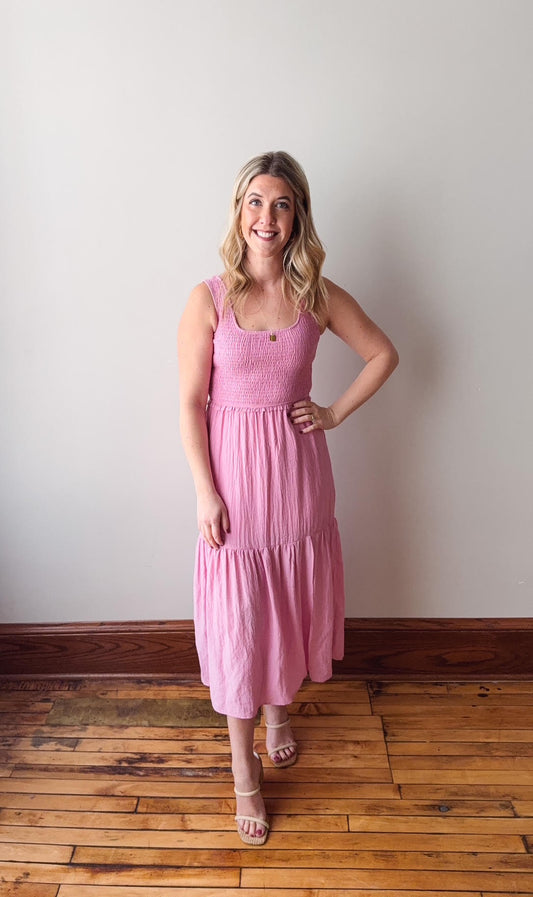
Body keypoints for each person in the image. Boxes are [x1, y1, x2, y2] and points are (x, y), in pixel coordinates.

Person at [178, 151, 398, 846]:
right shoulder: (208, 297)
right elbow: (189, 403)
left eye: (279, 204)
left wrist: (331, 413)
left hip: (298, 478)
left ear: (297, 213)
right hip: (235, 483)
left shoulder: (317, 294)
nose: (265, 217)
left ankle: (279, 713)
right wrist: (204, 490)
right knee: (243, 617)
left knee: (286, 602)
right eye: (253, 202)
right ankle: (243, 766)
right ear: (237, 211)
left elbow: (382, 353)